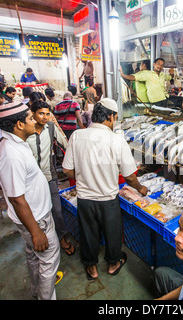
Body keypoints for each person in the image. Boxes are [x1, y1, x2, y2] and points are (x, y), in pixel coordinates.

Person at [62, 98, 148, 280]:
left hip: (85, 198)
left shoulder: (77, 135)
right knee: (112, 233)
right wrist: (140, 188)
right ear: (110, 116)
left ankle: (91, 269)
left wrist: (84, 176)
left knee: (88, 234)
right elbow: (130, 176)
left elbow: (67, 170)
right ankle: (113, 264)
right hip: (108, 199)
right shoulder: (116, 140)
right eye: (115, 117)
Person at [0, 102, 60, 300]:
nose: (36, 121)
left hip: (36, 215)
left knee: (34, 256)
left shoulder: (16, 145)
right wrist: (36, 231)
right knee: (49, 260)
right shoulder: (11, 154)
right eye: (31, 118)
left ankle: (36, 291)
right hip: (36, 219)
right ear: (19, 125)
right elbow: (16, 198)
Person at [26, 100, 75, 257]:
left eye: (48, 113)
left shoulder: (51, 127)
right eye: (41, 113)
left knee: (57, 210)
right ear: (33, 113)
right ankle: (40, 237)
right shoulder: (26, 131)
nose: (45, 117)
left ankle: (61, 238)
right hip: (31, 179)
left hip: (49, 175)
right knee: (37, 211)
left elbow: (65, 143)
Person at [119, 58, 183, 110]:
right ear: (154, 64)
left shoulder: (162, 75)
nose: (159, 66)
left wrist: (172, 74)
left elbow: (169, 77)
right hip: (157, 101)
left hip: (165, 97)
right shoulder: (147, 74)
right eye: (158, 64)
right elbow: (133, 77)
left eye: (161, 65)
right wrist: (122, 75)